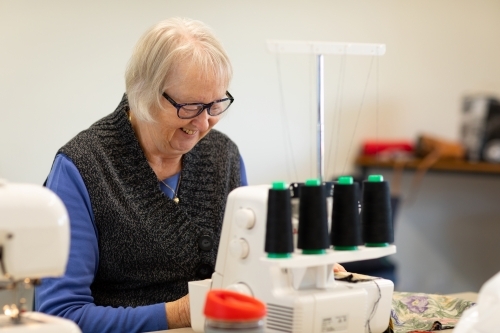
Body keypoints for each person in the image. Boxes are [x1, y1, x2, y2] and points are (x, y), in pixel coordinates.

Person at [35, 17, 247, 332]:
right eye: (189, 106)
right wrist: (181, 313)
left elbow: (247, 265)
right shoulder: (83, 167)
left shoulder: (223, 155)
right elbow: (61, 314)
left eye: (215, 105)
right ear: (144, 93)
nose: (203, 124)